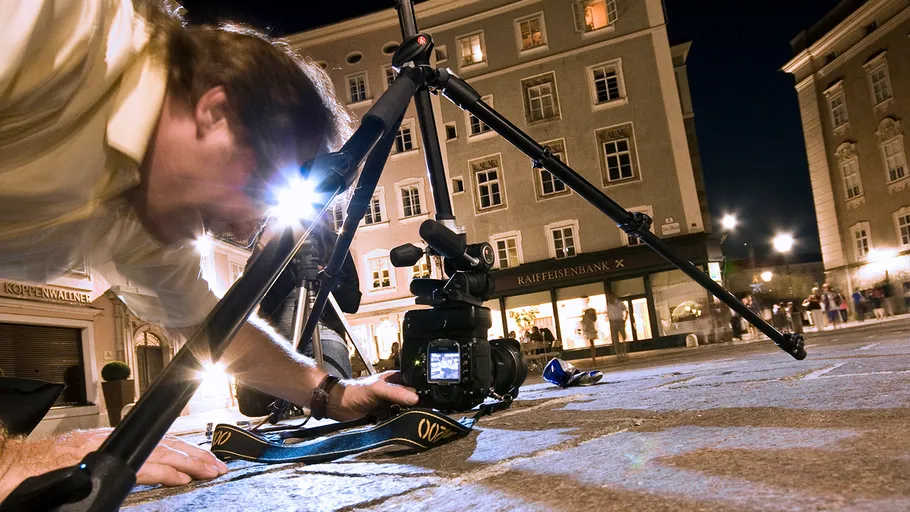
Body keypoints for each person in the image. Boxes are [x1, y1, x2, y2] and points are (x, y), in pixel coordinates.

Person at [0, 0, 417, 499]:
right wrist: (11, 460)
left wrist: (331, 393)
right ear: (215, 112)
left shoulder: (141, 214)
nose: (244, 230)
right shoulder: (60, 24)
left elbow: (213, 329)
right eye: (258, 188)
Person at [606, 292, 629, 362]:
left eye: (609, 297)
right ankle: (618, 355)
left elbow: (625, 310)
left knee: (623, 338)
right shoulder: (609, 305)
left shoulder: (619, 303)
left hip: (619, 320)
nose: (608, 299)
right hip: (613, 322)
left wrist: (625, 319)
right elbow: (609, 314)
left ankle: (624, 354)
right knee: (615, 340)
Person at [580, 296, 599, 364]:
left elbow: (593, 319)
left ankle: (593, 359)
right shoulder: (588, 311)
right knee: (591, 344)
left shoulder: (589, 311)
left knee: (591, 344)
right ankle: (593, 359)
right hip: (589, 328)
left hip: (589, 328)